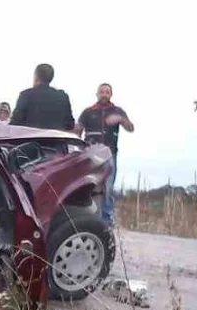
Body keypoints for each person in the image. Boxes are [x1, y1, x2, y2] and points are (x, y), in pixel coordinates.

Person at [77, 83, 134, 223]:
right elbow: (77, 130)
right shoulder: (88, 112)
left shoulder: (117, 111)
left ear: (111, 94)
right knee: (87, 185)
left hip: (109, 154)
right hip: (90, 154)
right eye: (102, 91)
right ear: (97, 94)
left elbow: (131, 128)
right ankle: (85, 218)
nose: (104, 94)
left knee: (108, 187)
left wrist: (120, 119)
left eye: (107, 92)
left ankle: (106, 221)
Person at [10, 63, 74, 131]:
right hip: (56, 140)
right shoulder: (63, 97)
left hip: (32, 140)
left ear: (36, 76)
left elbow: (15, 122)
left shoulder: (26, 95)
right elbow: (70, 124)